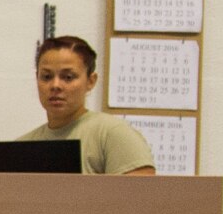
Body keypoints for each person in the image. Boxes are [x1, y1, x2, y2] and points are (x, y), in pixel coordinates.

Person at [17, 36, 156, 175]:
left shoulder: (113, 133)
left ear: (91, 81)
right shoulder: (22, 146)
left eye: (68, 77)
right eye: (47, 77)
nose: (55, 85)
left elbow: (143, 195)